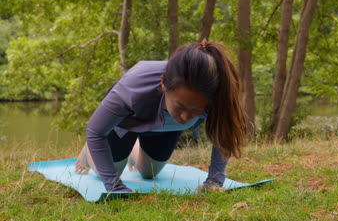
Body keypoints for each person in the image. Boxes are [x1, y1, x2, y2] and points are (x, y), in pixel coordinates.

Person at [74, 39, 247, 192]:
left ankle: (135, 148)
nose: (186, 117)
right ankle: (87, 152)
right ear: (164, 83)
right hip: (126, 124)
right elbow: (95, 131)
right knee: (106, 171)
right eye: (180, 106)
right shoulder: (134, 86)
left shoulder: (217, 94)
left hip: (166, 128)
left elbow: (224, 132)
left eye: (196, 110)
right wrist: (114, 186)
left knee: (149, 173)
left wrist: (214, 181)